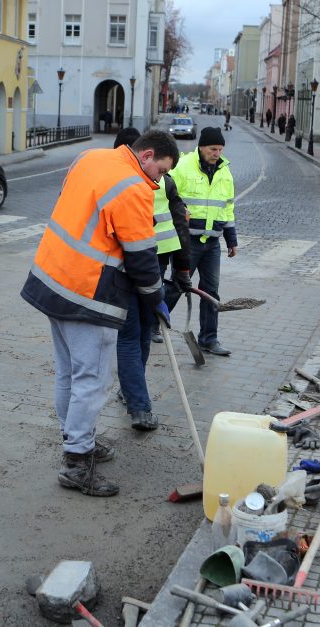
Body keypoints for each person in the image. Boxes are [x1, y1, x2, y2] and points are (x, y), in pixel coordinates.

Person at [20, 130, 179, 497]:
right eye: (160, 171)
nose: (158, 180)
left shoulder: (91, 158)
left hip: (52, 277)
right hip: (88, 293)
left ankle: (80, 440)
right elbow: (141, 256)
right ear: (147, 155)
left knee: (69, 373)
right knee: (92, 380)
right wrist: (156, 298)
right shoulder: (134, 187)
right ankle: (76, 462)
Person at [112, 129, 192, 431]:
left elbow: (180, 228)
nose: (158, 179)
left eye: (163, 173)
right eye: (159, 170)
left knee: (142, 332)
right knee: (133, 335)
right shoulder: (128, 183)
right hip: (127, 267)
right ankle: (138, 404)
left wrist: (182, 270)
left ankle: (133, 393)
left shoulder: (163, 183)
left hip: (153, 263)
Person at [169, 126, 237, 357]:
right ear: (201, 147)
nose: (217, 153)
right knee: (178, 286)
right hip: (188, 242)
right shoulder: (183, 166)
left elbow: (227, 208)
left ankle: (209, 339)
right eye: (212, 149)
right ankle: (151, 326)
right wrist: (179, 211)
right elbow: (166, 191)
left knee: (211, 292)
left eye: (220, 149)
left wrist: (231, 240)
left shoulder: (224, 172)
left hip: (212, 245)